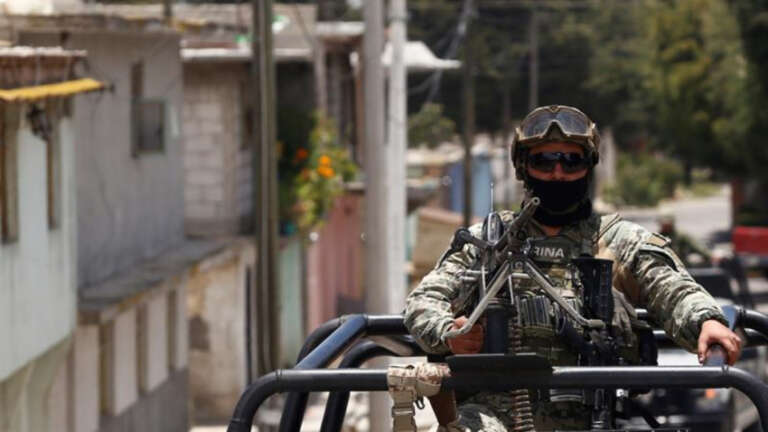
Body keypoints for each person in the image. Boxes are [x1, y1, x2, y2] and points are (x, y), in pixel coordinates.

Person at [404, 105, 742, 431]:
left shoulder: (619, 241)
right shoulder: (487, 243)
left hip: (593, 417)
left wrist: (705, 321)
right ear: (523, 168)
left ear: (588, 167)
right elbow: (423, 302)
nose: (558, 173)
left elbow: (675, 290)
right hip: (492, 416)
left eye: (571, 161)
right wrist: (450, 333)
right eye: (544, 161)